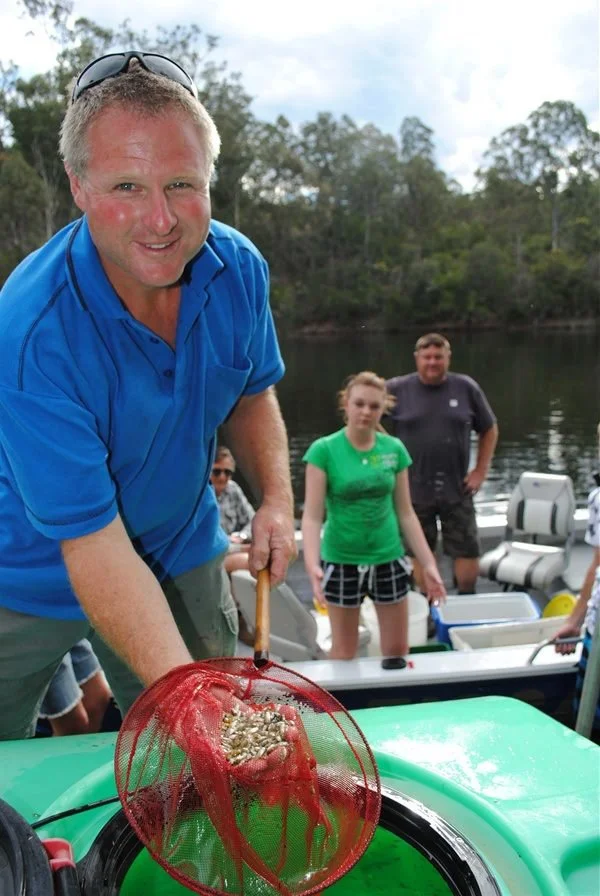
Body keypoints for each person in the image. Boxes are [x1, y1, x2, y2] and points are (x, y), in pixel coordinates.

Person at [0, 51, 296, 741]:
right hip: (26, 573)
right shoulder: (29, 328)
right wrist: (190, 705)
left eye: (181, 184)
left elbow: (251, 393)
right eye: (127, 186)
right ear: (78, 185)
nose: (160, 219)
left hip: (179, 546)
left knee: (218, 761)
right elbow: (93, 547)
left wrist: (278, 499)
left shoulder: (237, 270)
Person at [301, 371, 446, 660]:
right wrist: (312, 566)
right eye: (359, 404)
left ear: (383, 409)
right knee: (344, 651)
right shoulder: (324, 450)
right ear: (346, 404)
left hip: (388, 559)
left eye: (374, 406)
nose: (366, 412)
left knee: (397, 652)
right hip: (342, 560)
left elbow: (406, 513)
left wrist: (429, 564)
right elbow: (312, 517)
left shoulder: (394, 450)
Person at [385, 333, 498, 594]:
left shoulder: (466, 387)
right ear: (417, 359)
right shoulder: (396, 389)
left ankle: (466, 599)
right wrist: (385, 456)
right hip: (413, 489)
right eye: (427, 357)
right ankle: (428, 607)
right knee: (418, 551)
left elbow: (489, 429)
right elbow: (365, 419)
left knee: (467, 550)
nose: (432, 362)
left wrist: (480, 471)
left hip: (458, 488)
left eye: (438, 357)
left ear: (448, 358)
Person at [554, 440, 600, 742]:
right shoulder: (598, 498)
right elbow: (597, 566)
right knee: (587, 727)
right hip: (596, 631)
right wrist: (574, 619)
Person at [38, 639, 113, 737]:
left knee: (98, 700)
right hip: (33, 635)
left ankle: (87, 748)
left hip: (67, 627)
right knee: (73, 725)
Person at [211, 446, 256, 576]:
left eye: (228, 472)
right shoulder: (200, 496)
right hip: (211, 559)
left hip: (234, 548)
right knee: (249, 561)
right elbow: (208, 544)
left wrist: (242, 536)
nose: (222, 477)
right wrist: (241, 548)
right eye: (217, 472)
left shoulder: (233, 489)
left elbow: (254, 522)